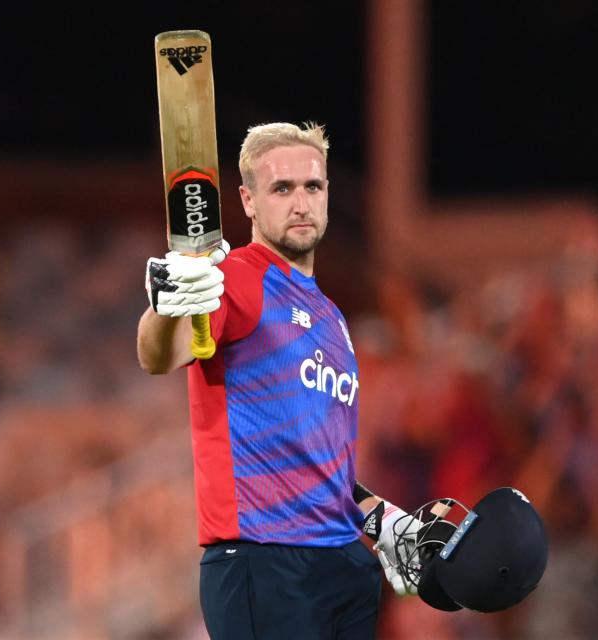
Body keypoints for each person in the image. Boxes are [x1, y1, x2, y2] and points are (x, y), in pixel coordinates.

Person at [137, 122, 417, 639]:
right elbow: (160, 354)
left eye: (313, 186)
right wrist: (167, 305)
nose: (301, 203)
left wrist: (384, 523)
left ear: (328, 194)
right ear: (247, 200)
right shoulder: (236, 277)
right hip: (265, 564)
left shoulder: (332, 316)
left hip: (342, 563)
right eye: (281, 189)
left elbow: (318, 463)